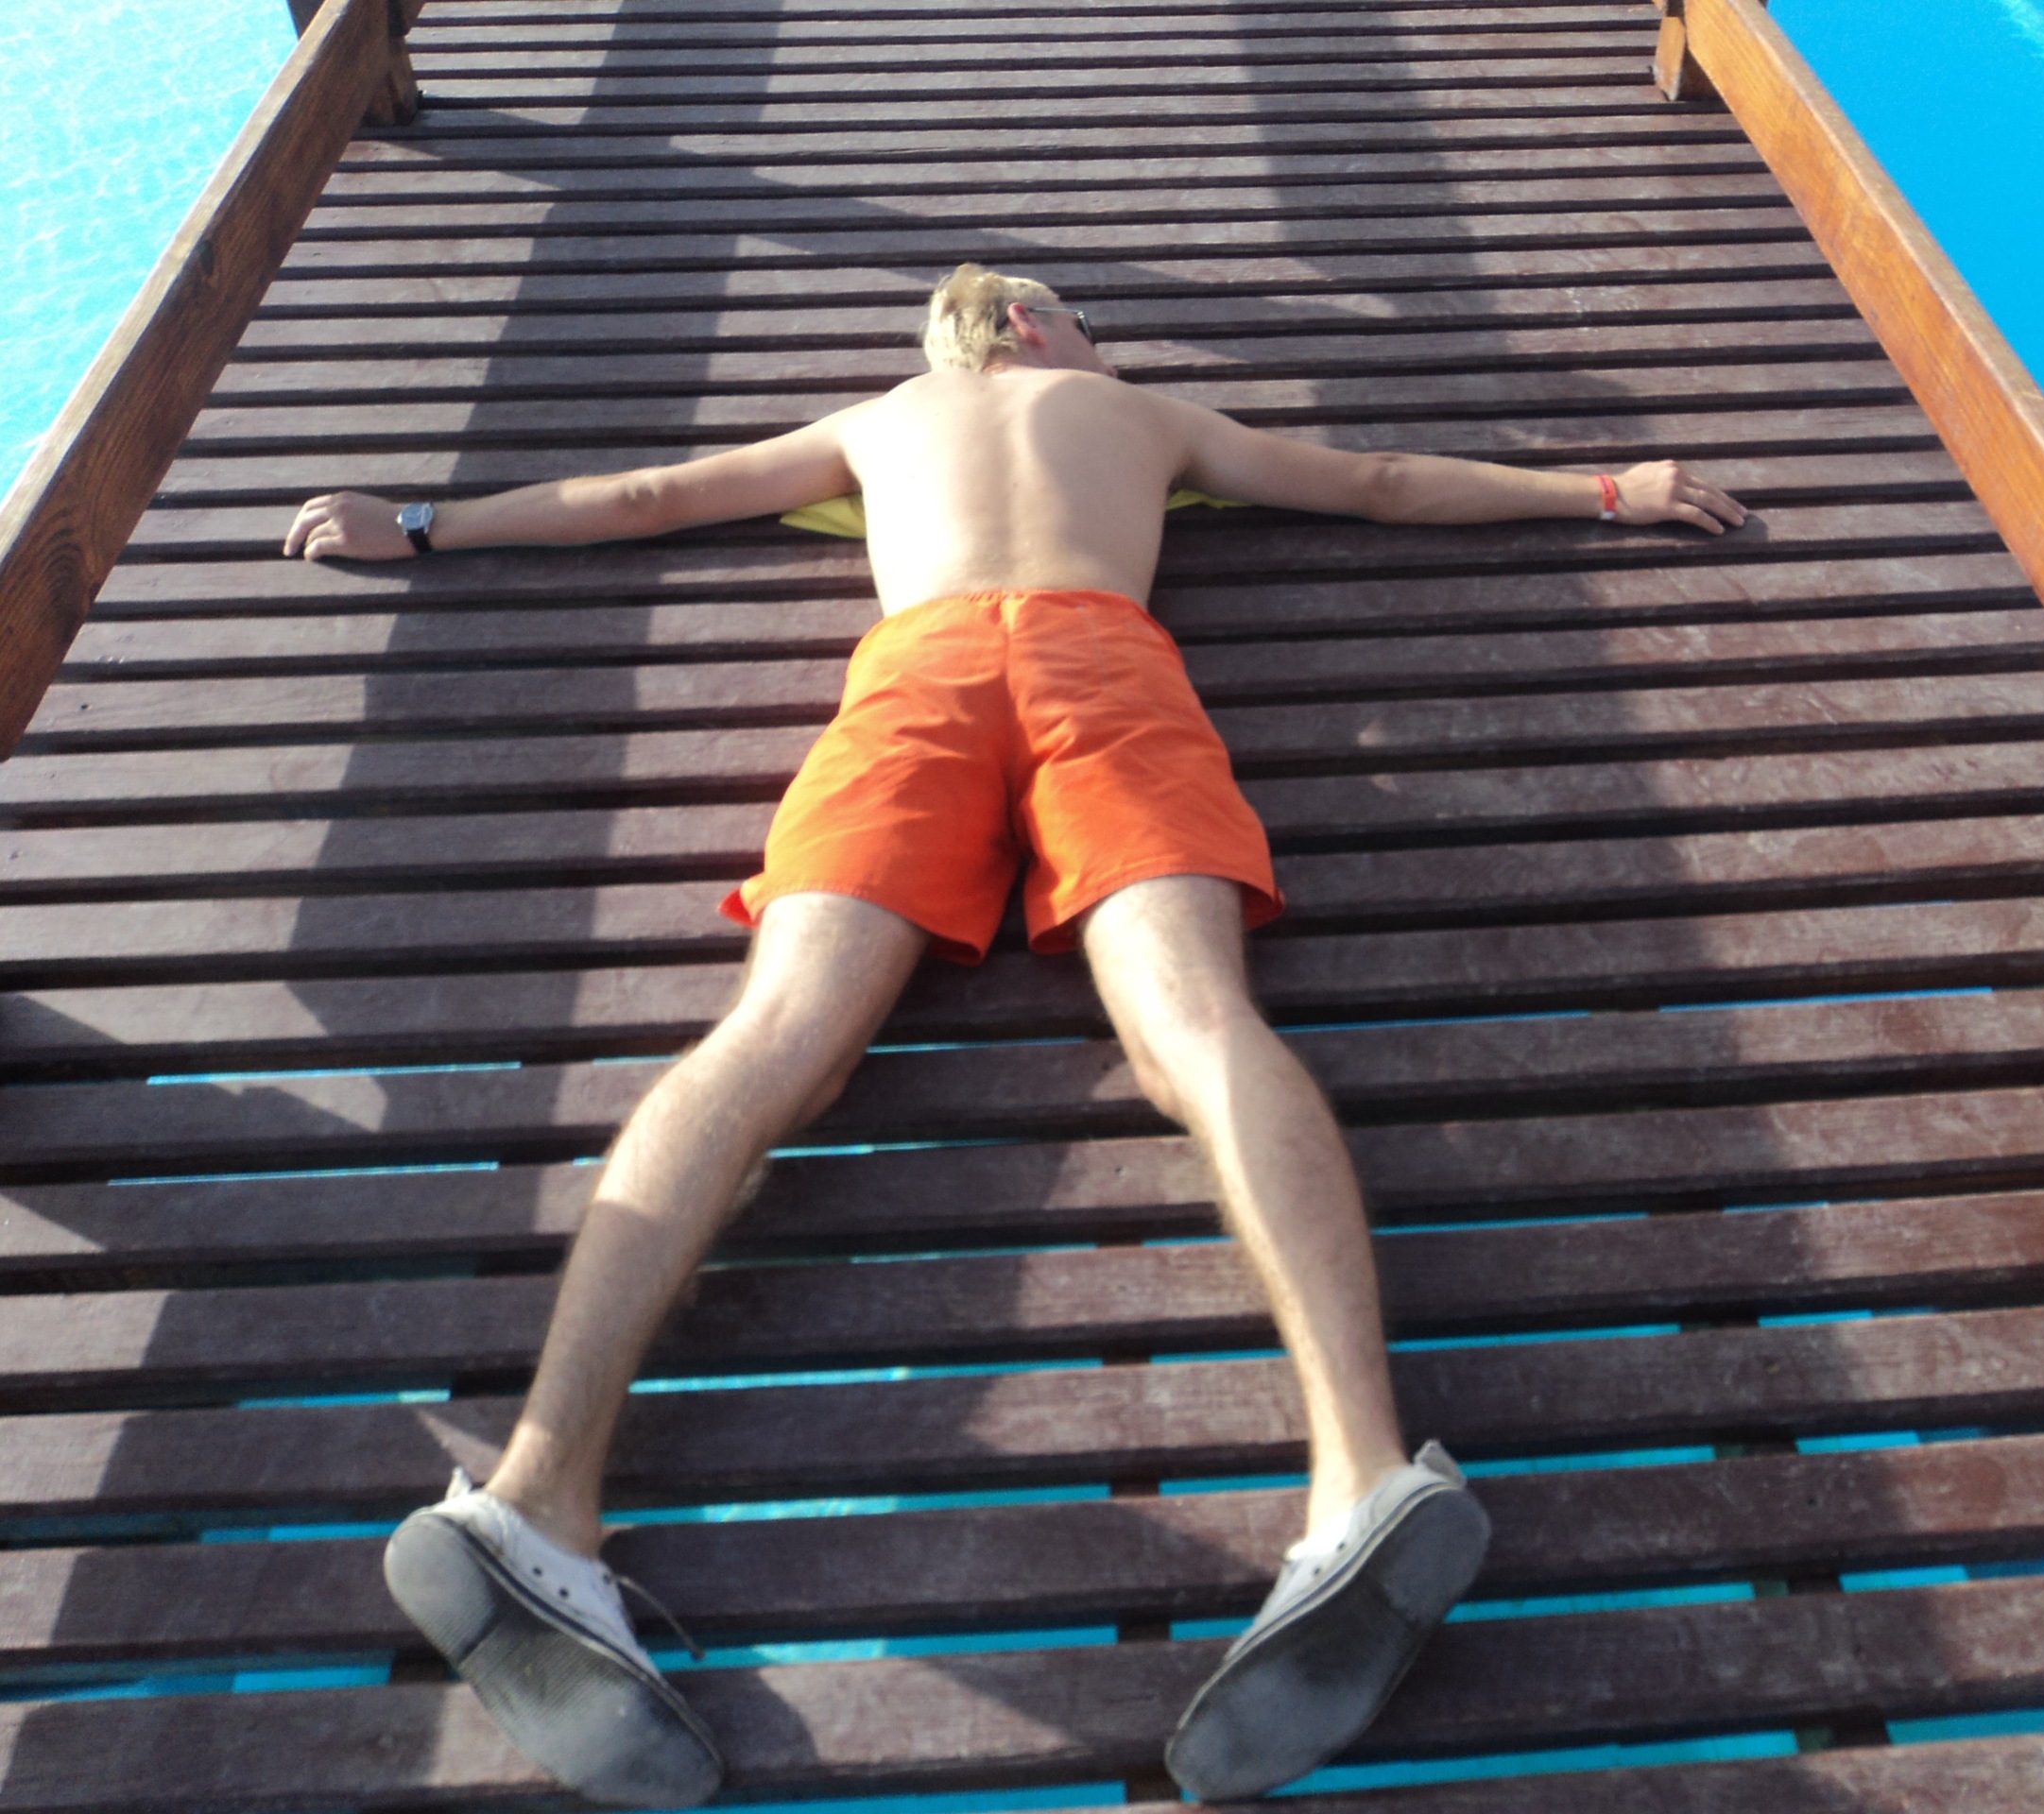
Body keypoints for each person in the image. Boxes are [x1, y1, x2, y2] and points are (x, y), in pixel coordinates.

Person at [284, 263, 1748, 1809]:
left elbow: (645, 498)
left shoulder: (876, 424)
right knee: (1196, 1026)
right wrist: (1603, 489)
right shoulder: (1139, 418)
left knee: (773, 1036)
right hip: (1098, 664)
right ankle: (1362, 1474)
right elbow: (1377, 483)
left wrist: (424, 524)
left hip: (913, 679)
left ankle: (528, 1500)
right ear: (1041, 327)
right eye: (1083, 319)